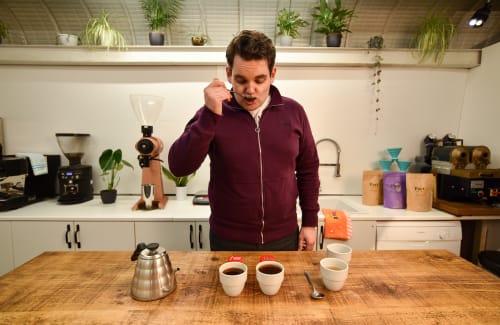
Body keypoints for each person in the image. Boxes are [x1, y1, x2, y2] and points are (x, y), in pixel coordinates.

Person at [168, 30, 320, 251]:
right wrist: (210, 116)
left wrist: (309, 221)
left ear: (273, 73)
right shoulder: (211, 113)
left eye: (260, 80)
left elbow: (308, 169)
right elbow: (179, 166)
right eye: (241, 80)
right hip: (228, 239)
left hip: (284, 237)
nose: (250, 90)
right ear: (229, 74)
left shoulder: (294, 112)